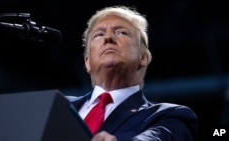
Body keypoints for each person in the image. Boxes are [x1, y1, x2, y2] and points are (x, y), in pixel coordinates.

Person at [67, 5, 198, 141]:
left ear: (143, 57)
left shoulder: (168, 116)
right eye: (99, 34)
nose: (108, 38)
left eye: (121, 32)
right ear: (87, 62)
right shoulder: (58, 105)